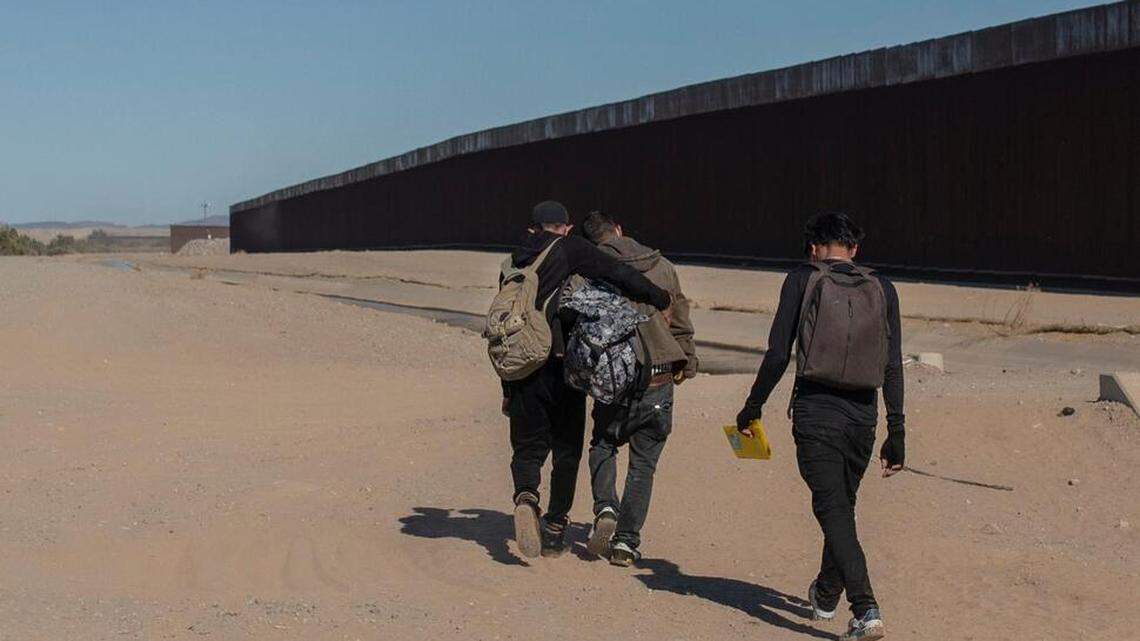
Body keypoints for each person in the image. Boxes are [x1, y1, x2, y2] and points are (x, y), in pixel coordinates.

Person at [734, 212, 904, 641]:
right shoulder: (883, 288)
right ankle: (826, 593)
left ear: (813, 248)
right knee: (840, 507)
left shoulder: (801, 280)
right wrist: (896, 429)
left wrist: (752, 406)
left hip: (816, 413)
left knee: (833, 510)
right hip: (863, 417)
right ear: (854, 249)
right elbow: (893, 365)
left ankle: (866, 608)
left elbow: (777, 354)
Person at [501, 201, 672, 559]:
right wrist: (656, 296)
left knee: (528, 446)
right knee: (566, 450)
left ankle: (526, 496)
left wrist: (507, 389)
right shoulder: (570, 249)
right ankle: (554, 527)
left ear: (533, 228)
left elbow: (506, 326)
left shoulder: (513, 261)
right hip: (564, 367)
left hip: (521, 367)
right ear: (565, 227)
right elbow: (615, 273)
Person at [579, 211, 697, 566]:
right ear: (619, 229)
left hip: (614, 378)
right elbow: (681, 320)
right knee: (643, 464)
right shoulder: (664, 266)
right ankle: (626, 543)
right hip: (660, 376)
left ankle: (605, 507)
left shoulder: (592, 270)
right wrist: (686, 362)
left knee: (603, 443)